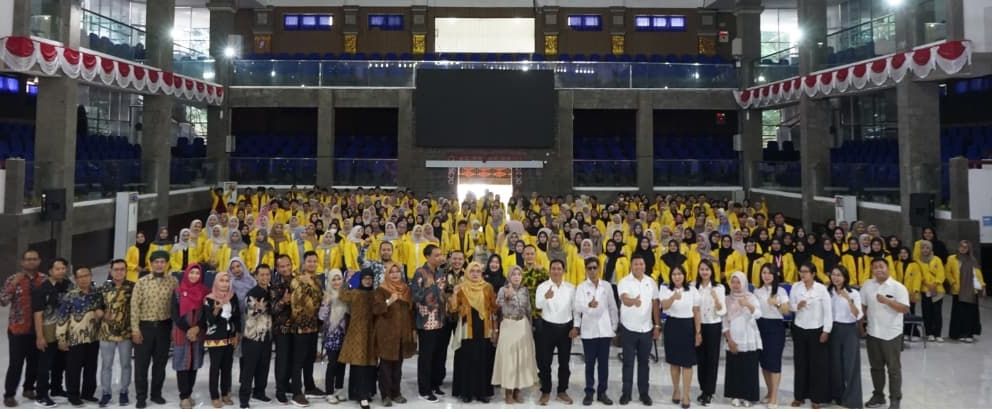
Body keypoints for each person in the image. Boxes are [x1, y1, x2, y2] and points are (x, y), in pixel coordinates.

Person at [131, 250, 178, 409]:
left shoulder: (173, 282)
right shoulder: (142, 282)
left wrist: (174, 329)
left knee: (160, 364)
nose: (159, 265)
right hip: (145, 328)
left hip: (164, 327)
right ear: (151, 264)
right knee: (141, 365)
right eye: (156, 262)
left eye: (162, 262)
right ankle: (141, 396)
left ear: (167, 264)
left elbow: (176, 307)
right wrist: (135, 330)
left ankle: (156, 394)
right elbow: (134, 307)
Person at [861, 258, 910, 409]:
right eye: (875, 267)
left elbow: (905, 309)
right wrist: (860, 325)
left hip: (891, 334)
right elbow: (863, 306)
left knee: (893, 369)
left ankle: (895, 399)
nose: (878, 270)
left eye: (881, 266)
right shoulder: (867, 285)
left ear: (888, 268)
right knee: (876, 368)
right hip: (873, 332)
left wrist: (888, 301)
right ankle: (878, 396)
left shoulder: (898, 287)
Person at [2, 250, 46, 407]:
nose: (31, 262)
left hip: (38, 328)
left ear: (39, 261)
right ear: (22, 262)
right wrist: (13, 285)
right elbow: (3, 301)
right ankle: (9, 394)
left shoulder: (44, 279)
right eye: (28, 259)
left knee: (35, 362)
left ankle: (29, 388)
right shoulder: (13, 279)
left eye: (34, 259)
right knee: (16, 364)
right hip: (18, 329)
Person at [449, 261, 497, 403]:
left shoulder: (488, 287)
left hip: (484, 327)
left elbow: (494, 307)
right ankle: (466, 392)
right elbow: (453, 309)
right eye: (472, 271)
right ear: (467, 273)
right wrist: (454, 294)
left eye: (478, 271)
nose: (475, 274)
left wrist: (495, 328)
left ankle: (482, 392)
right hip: (467, 328)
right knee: (466, 359)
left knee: (483, 359)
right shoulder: (461, 288)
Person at [56, 265, 104, 406]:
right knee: (73, 369)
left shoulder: (97, 293)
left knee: (91, 367)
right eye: (80, 277)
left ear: (91, 276)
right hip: (75, 339)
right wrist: (61, 338)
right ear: (75, 279)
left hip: (93, 337)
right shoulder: (70, 296)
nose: (84, 279)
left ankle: (88, 393)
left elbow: (103, 310)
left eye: (86, 276)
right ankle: (73, 395)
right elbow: (62, 318)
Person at [573, 257, 618, 406]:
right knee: (590, 364)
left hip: (605, 331)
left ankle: (602, 392)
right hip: (589, 331)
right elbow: (577, 307)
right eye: (589, 268)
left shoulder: (607, 286)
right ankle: (589, 392)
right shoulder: (581, 287)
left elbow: (612, 307)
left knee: (603, 364)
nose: (592, 270)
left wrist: (614, 327)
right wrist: (589, 305)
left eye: (595, 267)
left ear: (599, 269)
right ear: (586, 270)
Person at [617, 255, 660, 406]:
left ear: (645, 265)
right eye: (636, 264)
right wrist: (633, 301)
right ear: (631, 266)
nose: (639, 266)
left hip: (646, 329)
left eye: (641, 264)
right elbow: (624, 299)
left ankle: (644, 394)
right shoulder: (624, 281)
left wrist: (657, 325)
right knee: (628, 363)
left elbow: (655, 304)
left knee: (644, 363)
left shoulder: (651, 282)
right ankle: (626, 393)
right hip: (628, 328)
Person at [492, 266, 539, 405]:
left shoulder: (525, 290)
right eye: (514, 274)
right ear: (509, 276)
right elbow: (496, 306)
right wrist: (507, 298)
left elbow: (528, 309)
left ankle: (518, 390)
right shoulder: (503, 289)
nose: (517, 276)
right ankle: (508, 391)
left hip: (523, 326)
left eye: (519, 274)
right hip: (508, 325)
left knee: (521, 359)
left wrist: (531, 327)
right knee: (509, 359)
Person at [789, 262, 832, 408]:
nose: (803, 274)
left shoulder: (821, 289)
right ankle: (799, 396)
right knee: (800, 363)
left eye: (806, 272)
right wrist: (797, 306)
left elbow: (828, 311)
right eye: (801, 271)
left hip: (816, 330)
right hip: (799, 328)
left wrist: (826, 330)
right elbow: (790, 306)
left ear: (813, 274)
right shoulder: (796, 287)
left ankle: (816, 398)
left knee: (816, 365)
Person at [372, 263, 416, 407]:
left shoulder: (406, 290)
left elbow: (411, 311)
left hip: (402, 332)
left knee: (398, 366)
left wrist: (412, 330)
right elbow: (375, 309)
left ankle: (396, 393)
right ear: (387, 274)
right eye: (391, 272)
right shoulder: (381, 290)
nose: (395, 274)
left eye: (397, 271)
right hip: (386, 333)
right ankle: (385, 395)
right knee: (385, 366)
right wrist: (389, 301)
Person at [534, 259, 576, 405]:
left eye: (559, 268)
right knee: (545, 362)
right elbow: (538, 305)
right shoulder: (542, 287)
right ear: (549, 270)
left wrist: (576, 327)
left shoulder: (571, 288)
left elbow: (575, 309)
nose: (556, 271)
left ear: (563, 271)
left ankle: (562, 391)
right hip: (547, 328)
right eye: (553, 268)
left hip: (566, 329)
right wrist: (546, 297)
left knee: (564, 362)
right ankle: (545, 391)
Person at [658, 265, 700, 409]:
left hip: (688, 326)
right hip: (673, 326)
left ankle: (686, 394)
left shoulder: (692, 290)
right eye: (674, 274)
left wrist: (698, 332)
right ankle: (676, 390)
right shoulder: (665, 289)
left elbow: (696, 311)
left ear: (684, 275)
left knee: (687, 363)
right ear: (671, 276)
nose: (677, 276)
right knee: (674, 362)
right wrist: (673, 297)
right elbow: (664, 306)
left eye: (680, 274)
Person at [411, 245, 448, 402]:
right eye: (436, 255)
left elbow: (443, 293)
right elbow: (415, 295)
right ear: (427, 257)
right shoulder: (420, 272)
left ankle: (434, 384)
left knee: (437, 355)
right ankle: (424, 390)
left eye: (441, 255)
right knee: (426, 357)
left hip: (440, 320)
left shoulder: (441, 273)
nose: (440, 257)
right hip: (426, 321)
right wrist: (429, 290)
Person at [32, 257, 70, 407]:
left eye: (63, 268)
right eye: (57, 269)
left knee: (60, 362)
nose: (61, 271)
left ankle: (56, 388)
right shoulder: (42, 289)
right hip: (47, 330)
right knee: (45, 364)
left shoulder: (67, 284)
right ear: (50, 271)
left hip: (63, 330)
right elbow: (38, 314)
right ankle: (41, 395)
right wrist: (40, 336)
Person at [288, 252, 325, 406]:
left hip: (313, 325)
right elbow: (295, 303)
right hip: (300, 325)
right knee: (298, 360)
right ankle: (296, 392)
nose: (312, 264)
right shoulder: (297, 280)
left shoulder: (317, 280)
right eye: (309, 261)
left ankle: (310, 386)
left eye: (315, 261)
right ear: (304, 263)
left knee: (310, 358)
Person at [97, 259, 135, 407]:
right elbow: (97, 307)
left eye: (122, 269)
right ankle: (106, 392)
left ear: (126, 271)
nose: (119, 272)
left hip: (126, 332)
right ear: (111, 271)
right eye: (116, 269)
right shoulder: (103, 288)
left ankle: (124, 391)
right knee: (106, 365)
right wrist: (102, 314)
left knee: (126, 364)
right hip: (107, 333)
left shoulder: (133, 287)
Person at [722, 271, 762, 408]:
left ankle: (748, 396)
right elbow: (724, 321)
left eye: (738, 282)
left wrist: (747, 304)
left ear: (744, 283)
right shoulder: (727, 299)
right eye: (733, 282)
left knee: (749, 367)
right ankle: (735, 395)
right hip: (733, 337)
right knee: (734, 367)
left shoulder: (751, 297)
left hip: (749, 337)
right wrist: (729, 340)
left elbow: (758, 314)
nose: (735, 285)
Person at [339, 269, 377, 409]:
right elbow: (342, 295)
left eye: (370, 278)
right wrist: (347, 280)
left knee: (370, 364)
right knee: (359, 364)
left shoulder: (374, 294)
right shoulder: (355, 293)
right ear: (360, 279)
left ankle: (365, 392)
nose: (367, 281)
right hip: (357, 332)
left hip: (371, 331)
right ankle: (361, 395)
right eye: (365, 278)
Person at [753, 263, 789, 408]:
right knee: (764, 362)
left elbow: (787, 311)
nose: (766, 276)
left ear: (774, 275)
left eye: (769, 273)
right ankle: (769, 392)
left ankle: (774, 396)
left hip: (775, 327)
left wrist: (777, 304)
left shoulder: (781, 290)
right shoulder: (757, 291)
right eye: (764, 272)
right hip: (761, 326)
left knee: (774, 362)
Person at [171, 264, 207, 409]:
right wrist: (188, 329)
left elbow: (206, 313)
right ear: (186, 274)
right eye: (191, 272)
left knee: (194, 364)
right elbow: (175, 313)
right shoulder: (178, 292)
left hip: (198, 333)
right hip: (182, 332)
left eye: (197, 273)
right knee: (182, 364)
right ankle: (184, 396)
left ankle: (189, 393)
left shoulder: (205, 292)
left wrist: (197, 328)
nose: (194, 276)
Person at [203, 272, 241, 408]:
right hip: (215, 338)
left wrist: (237, 334)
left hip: (229, 337)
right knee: (215, 368)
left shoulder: (232, 296)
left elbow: (236, 316)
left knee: (227, 367)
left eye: (227, 281)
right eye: (222, 281)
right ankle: (214, 395)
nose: (225, 284)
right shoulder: (209, 299)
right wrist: (216, 310)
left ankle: (225, 393)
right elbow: (209, 321)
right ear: (216, 282)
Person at [827, 266, 863, 409]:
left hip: (849, 330)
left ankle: (853, 400)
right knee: (835, 365)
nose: (835, 278)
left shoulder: (854, 293)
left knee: (851, 365)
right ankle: (837, 396)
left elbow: (858, 315)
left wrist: (848, 299)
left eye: (839, 275)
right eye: (833, 274)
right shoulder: (828, 292)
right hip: (833, 329)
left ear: (845, 277)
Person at [239, 264, 274, 408]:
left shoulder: (271, 292)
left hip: (267, 336)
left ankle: (259, 392)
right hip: (252, 337)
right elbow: (250, 312)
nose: (265, 277)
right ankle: (244, 398)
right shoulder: (252, 293)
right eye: (262, 275)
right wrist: (259, 308)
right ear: (256, 276)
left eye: (267, 274)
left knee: (264, 366)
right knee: (249, 368)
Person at [694, 260, 726, 406]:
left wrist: (716, 298)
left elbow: (722, 311)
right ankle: (703, 389)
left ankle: (709, 392)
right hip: (698, 326)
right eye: (702, 269)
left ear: (712, 271)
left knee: (712, 359)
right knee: (701, 359)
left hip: (713, 326)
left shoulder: (719, 288)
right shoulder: (694, 287)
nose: (704, 272)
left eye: (707, 269)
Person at [318, 269, 348, 404]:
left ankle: (338, 390)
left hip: (344, 334)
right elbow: (321, 316)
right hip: (331, 335)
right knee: (333, 364)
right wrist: (326, 303)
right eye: (334, 279)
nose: (337, 282)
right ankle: (329, 392)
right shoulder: (327, 295)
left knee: (342, 364)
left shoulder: (346, 294)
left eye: (339, 279)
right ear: (330, 281)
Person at [946, 240, 985, 343]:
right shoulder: (952, 258)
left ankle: (968, 334)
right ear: (958, 247)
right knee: (958, 313)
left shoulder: (972, 259)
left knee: (970, 313)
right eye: (961, 246)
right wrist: (953, 282)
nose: (963, 249)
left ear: (969, 249)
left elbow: (977, 274)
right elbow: (948, 272)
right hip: (958, 290)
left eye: (965, 247)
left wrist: (982, 285)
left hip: (971, 290)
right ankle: (958, 333)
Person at [270, 254, 295, 404]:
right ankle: (280, 390)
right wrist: (283, 301)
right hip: (281, 329)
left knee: (292, 359)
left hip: (296, 328)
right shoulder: (274, 284)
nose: (285, 269)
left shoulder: (297, 281)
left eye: (287, 265)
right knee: (282, 359)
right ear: (277, 268)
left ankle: (287, 384)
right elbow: (272, 310)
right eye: (282, 266)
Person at [917, 240, 946, 342]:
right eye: (923, 248)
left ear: (931, 249)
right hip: (925, 290)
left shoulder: (937, 259)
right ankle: (929, 333)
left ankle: (937, 334)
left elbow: (941, 273)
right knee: (927, 312)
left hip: (937, 290)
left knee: (937, 313)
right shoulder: (918, 261)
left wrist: (935, 284)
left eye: (927, 248)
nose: (925, 250)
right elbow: (918, 274)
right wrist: (927, 284)